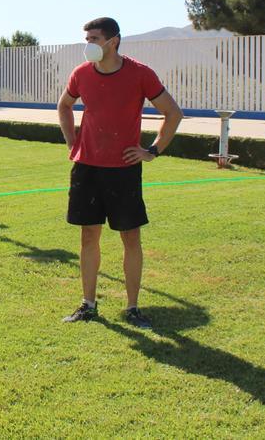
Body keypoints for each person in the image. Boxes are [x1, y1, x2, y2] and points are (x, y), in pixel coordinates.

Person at [57, 17, 183, 329]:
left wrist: (151, 151)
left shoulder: (140, 73)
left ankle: (133, 308)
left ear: (113, 41)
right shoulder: (82, 73)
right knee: (88, 234)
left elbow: (173, 113)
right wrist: (73, 142)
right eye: (87, 38)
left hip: (124, 170)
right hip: (87, 168)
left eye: (95, 38)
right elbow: (64, 106)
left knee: (130, 237)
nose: (89, 45)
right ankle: (88, 304)